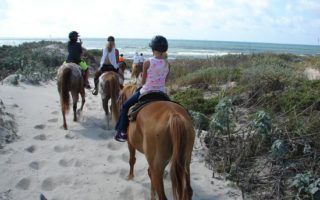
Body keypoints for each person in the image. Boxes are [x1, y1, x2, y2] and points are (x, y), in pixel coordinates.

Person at [114, 35, 170, 142]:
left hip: (146, 91)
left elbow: (143, 82)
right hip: (162, 92)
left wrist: (141, 78)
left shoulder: (148, 62)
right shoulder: (167, 64)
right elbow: (165, 81)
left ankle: (122, 131)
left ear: (153, 49)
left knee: (125, 106)